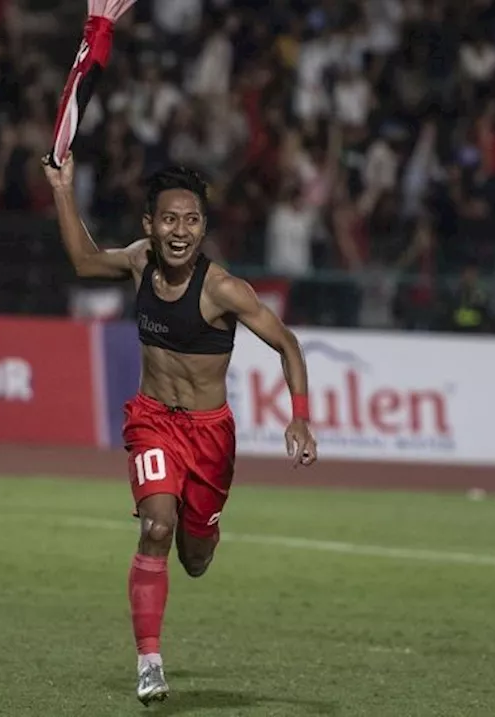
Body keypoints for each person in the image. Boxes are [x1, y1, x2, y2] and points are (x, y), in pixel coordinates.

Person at [42, 155, 319, 705]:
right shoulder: (139, 262)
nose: (180, 231)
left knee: (194, 558)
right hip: (152, 422)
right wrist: (63, 187)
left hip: (210, 436)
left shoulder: (225, 291)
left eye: (191, 221)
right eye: (169, 220)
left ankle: (207, 534)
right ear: (149, 224)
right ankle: (150, 663)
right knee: (156, 528)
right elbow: (83, 258)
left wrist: (301, 415)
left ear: (204, 228)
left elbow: (288, 344)